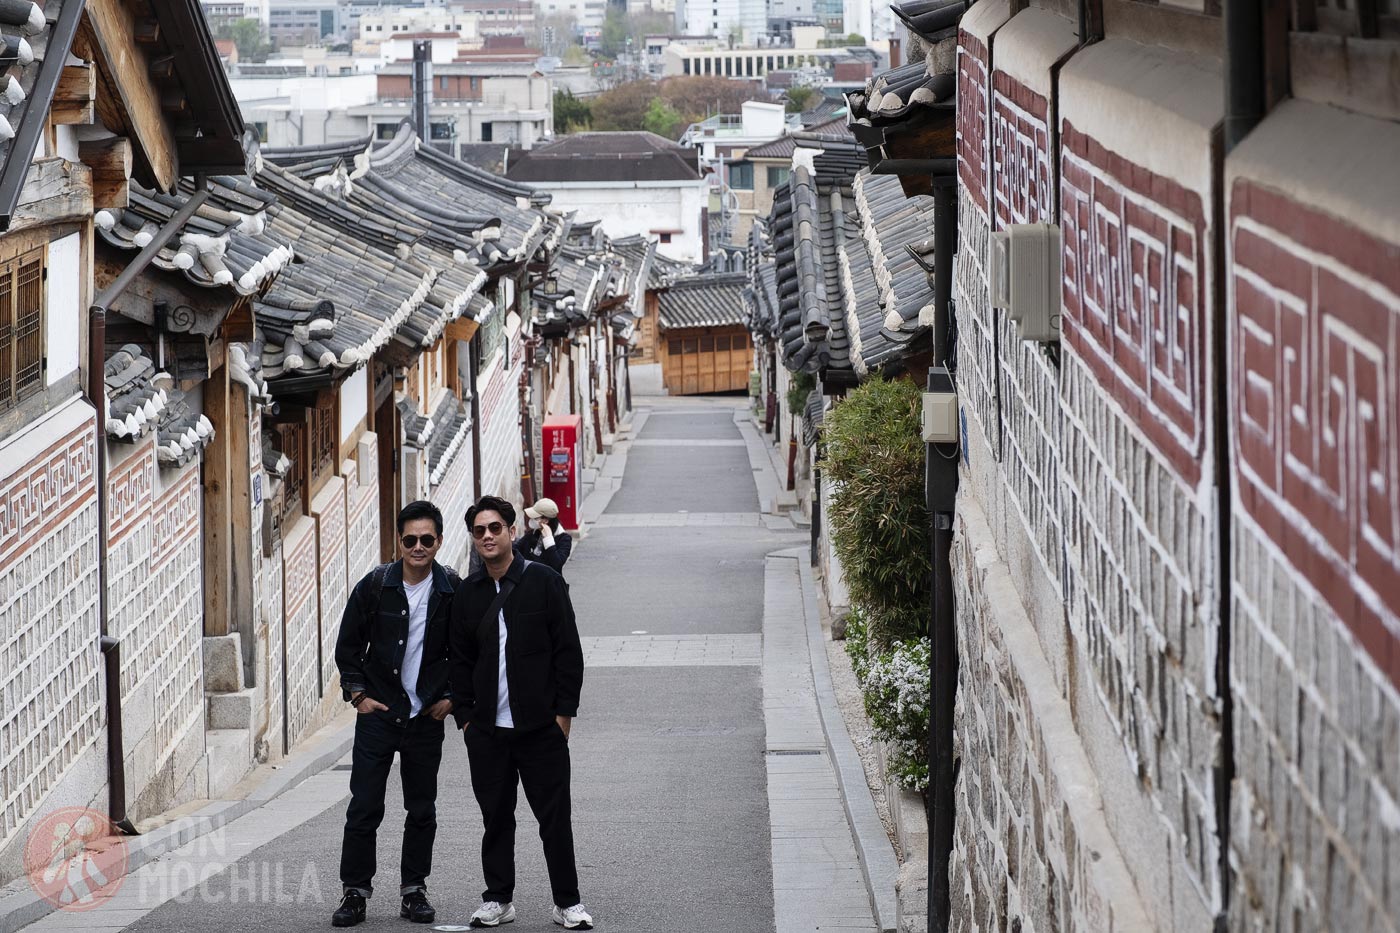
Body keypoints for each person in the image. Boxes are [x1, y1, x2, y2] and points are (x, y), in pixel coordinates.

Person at [449, 495, 593, 930]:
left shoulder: (544, 582)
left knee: (554, 818)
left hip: (540, 728)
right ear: (473, 539)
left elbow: (569, 651)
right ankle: (498, 898)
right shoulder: (468, 594)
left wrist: (563, 717)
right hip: (488, 730)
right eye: (479, 531)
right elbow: (458, 659)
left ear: (513, 532)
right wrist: (468, 719)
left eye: (496, 528)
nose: (488, 536)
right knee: (495, 817)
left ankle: (567, 902)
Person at [331, 501, 459, 928]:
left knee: (422, 808)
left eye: (427, 539)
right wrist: (358, 695)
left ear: (438, 541)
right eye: (410, 540)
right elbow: (348, 646)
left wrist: (453, 697)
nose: (418, 547)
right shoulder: (375, 586)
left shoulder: (454, 590)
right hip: (379, 714)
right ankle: (355, 893)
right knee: (364, 806)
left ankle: (413, 891)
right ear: (398, 542)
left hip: (425, 718)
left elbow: (469, 652)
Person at [515, 497, 572, 575]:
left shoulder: (564, 539)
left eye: (535, 518)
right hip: (528, 581)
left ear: (546, 520)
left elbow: (557, 564)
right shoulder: (533, 533)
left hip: (549, 584)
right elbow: (515, 549)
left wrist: (549, 540)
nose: (531, 519)